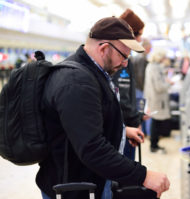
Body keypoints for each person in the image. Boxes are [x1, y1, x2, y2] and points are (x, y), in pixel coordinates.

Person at [37, 17, 170, 199]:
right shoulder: (76, 82)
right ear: (104, 48)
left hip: (87, 181)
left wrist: (122, 131)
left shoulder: (91, 73)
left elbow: (85, 125)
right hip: (73, 189)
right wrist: (144, 175)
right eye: (123, 56)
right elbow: (92, 148)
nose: (125, 63)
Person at [112, 9, 149, 160]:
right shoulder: (122, 62)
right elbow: (122, 97)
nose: (140, 39)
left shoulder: (126, 59)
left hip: (124, 126)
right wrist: (135, 121)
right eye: (139, 34)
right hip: (124, 128)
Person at [144, 48, 173, 153]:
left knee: (155, 121)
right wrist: (169, 83)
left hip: (154, 98)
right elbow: (159, 87)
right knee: (156, 122)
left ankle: (154, 144)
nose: (165, 59)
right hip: (157, 99)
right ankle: (154, 146)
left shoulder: (152, 66)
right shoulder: (154, 68)